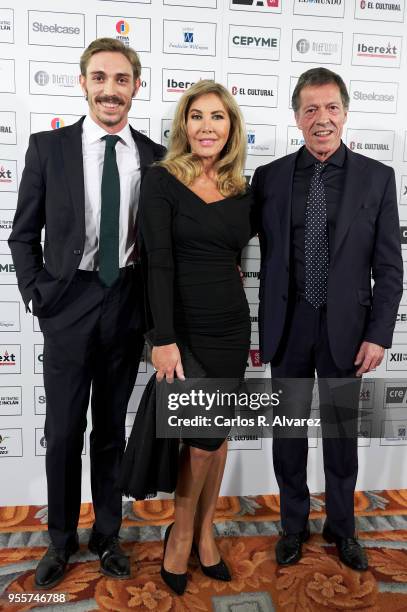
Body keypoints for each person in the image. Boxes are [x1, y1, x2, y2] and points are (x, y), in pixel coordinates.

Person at [8, 38, 165, 589]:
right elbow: (22, 234)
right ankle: (58, 540)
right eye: (100, 78)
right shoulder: (47, 148)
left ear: (136, 87)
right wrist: (35, 295)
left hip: (124, 303)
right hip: (67, 305)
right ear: (84, 83)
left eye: (122, 80)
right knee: (64, 429)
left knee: (109, 432)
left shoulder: (153, 156)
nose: (110, 90)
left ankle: (108, 535)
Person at [252, 67, 403, 571]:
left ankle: (343, 528)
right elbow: (231, 238)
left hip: (347, 332)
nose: (322, 119)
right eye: (311, 109)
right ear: (296, 117)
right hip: (287, 326)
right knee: (289, 435)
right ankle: (292, 527)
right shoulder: (269, 178)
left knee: (341, 437)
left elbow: (389, 267)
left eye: (331, 107)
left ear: (345, 113)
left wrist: (379, 334)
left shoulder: (377, 178)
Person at [137, 80, 252, 594]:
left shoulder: (243, 190)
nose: (207, 126)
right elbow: (157, 261)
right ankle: (181, 534)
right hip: (182, 327)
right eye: (197, 116)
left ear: (231, 128)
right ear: (184, 125)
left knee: (217, 433)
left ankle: (206, 531)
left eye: (218, 117)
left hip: (231, 325)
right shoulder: (161, 180)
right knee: (201, 439)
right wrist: (163, 337)